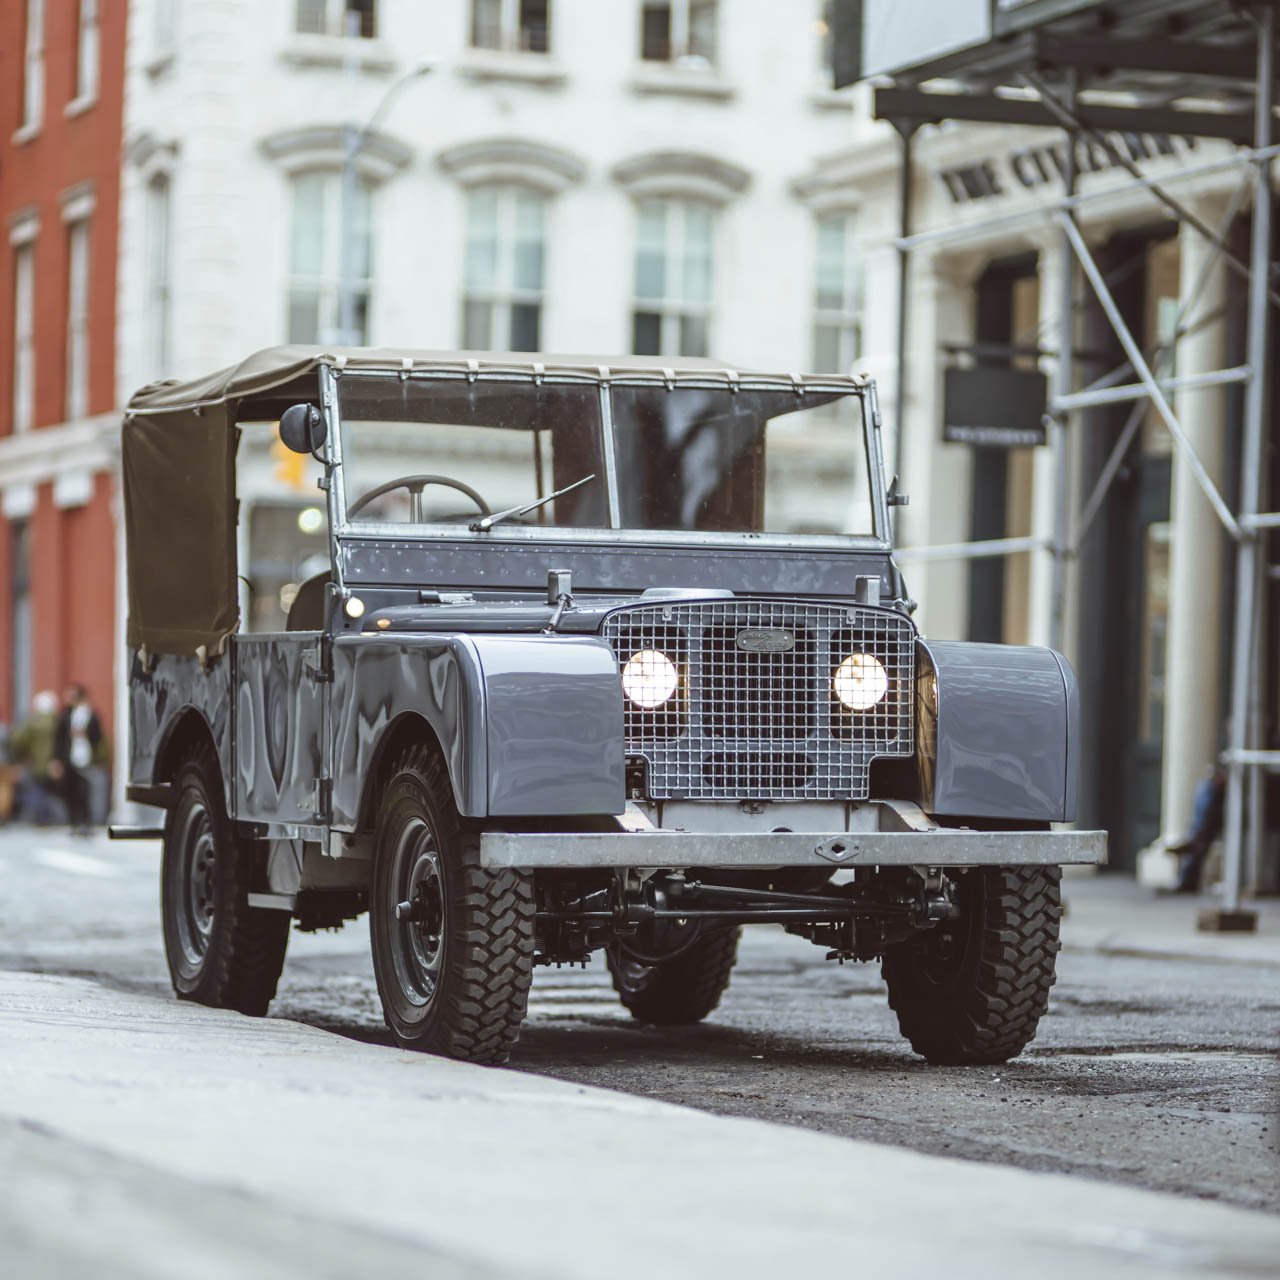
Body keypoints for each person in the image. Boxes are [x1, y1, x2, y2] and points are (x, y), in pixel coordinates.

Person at [1165, 764, 1226, 894]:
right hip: (1203, 827)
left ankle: (1188, 883)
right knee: (1194, 854)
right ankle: (1186, 883)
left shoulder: (1210, 789)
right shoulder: (1209, 790)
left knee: (1195, 854)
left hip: (1204, 827)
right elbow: (1205, 812)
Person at [52, 684, 103, 837]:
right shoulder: (65, 715)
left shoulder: (91, 714)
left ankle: (86, 823)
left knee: (85, 792)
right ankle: (74, 823)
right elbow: (58, 739)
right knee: (71, 792)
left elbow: (98, 737)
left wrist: (85, 734)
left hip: (86, 759)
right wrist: (57, 760)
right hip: (70, 759)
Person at [10, 691, 62, 825]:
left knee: (36, 791)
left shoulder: (33, 722)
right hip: (54, 764)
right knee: (53, 792)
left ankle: (40, 818)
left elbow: (18, 740)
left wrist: (23, 755)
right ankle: (51, 818)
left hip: (36, 763)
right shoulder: (58, 722)